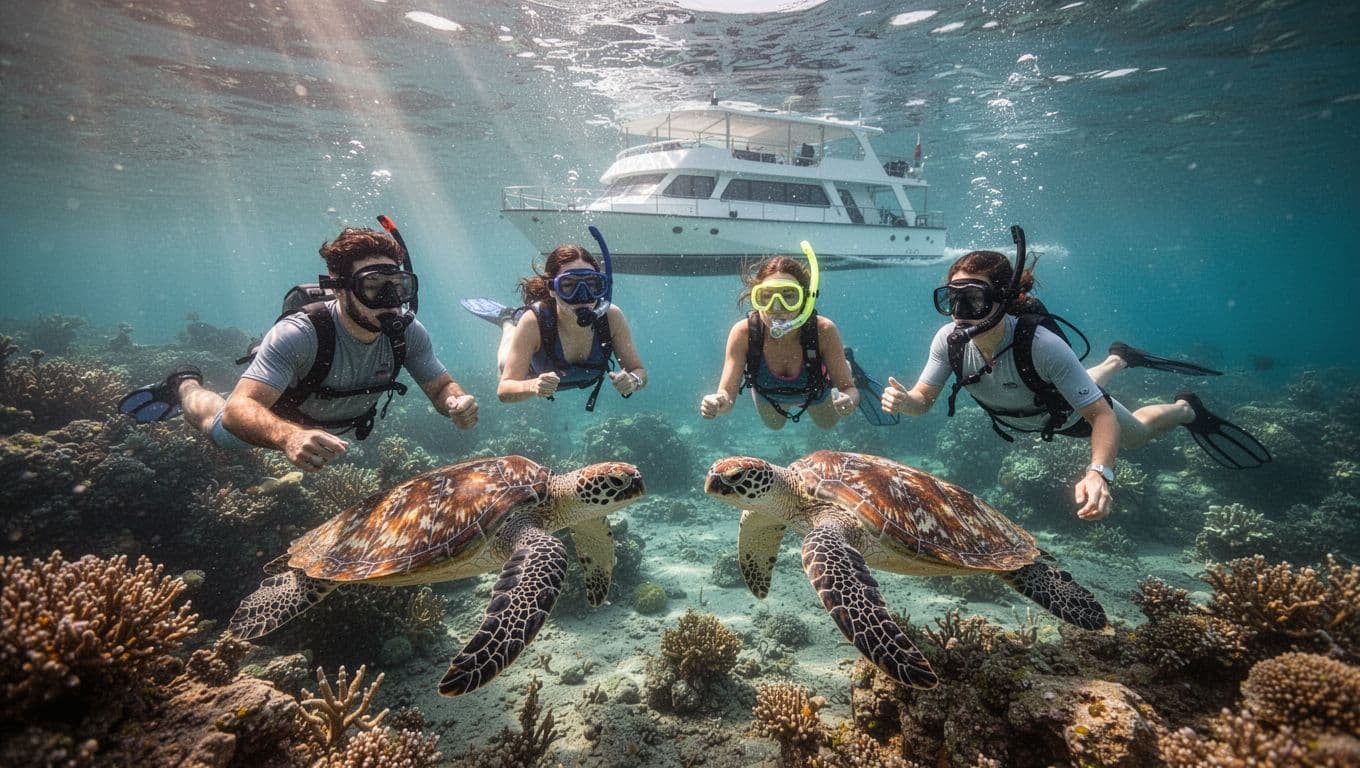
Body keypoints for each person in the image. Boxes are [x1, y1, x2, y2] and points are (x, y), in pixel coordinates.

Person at [882, 231, 1270, 521]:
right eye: (952, 299)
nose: (960, 312)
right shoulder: (947, 341)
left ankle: (1186, 409)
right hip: (1048, 391)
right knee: (1080, 379)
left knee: (1135, 434)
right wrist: (905, 402)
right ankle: (1119, 359)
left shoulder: (1043, 346)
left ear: (1002, 299)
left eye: (974, 298)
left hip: (1068, 415)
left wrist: (1099, 473)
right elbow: (922, 400)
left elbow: (1101, 416)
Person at [118, 226, 479, 473]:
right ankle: (184, 384)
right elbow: (238, 411)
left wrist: (455, 402)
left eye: (398, 286)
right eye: (373, 287)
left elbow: (440, 387)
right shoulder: (299, 334)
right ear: (340, 289)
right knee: (215, 428)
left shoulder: (408, 333)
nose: (390, 300)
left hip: (333, 426)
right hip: (277, 421)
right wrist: (289, 436)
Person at [460, 242, 646, 411]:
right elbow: (504, 390)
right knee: (504, 364)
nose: (582, 295)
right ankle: (508, 320)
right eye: (569, 285)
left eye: (591, 284)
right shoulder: (533, 322)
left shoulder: (611, 317)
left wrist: (634, 381)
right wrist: (533, 385)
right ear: (551, 289)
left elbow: (639, 371)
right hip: (534, 371)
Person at [700, 244, 859, 429]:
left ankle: (844, 365)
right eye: (767, 297)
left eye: (789, 296)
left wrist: (849, 399)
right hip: (769, 396)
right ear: (755, 299)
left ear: (806, 299)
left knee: (827, 425)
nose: (777, 308)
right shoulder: (743, 334)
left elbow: (849, 389)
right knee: (774, 426)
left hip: (816, 392)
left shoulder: (823, 330)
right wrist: (718, 403)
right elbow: (726, 395)